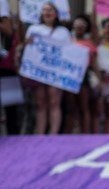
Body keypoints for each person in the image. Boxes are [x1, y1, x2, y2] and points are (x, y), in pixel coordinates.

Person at [23, 2, 71, 135]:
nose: (47, 12)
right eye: (44, 10)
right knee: (40, 103)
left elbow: (69, 52)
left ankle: (53, 134)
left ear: (56, 14)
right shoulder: (33, 29)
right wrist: (27, 43)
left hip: (56, 73)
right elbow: (28, 50)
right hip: (38, 73)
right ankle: (40, 134)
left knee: (54, 101)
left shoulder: (64, 32)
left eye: (50, 10)